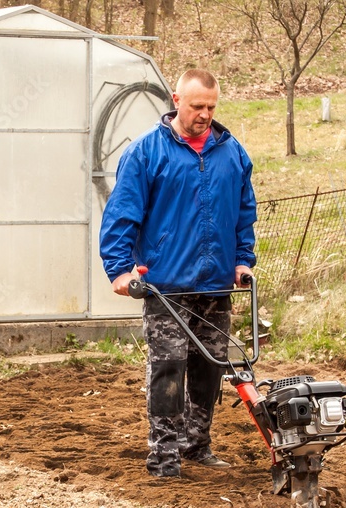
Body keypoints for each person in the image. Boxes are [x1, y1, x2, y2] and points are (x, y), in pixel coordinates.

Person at [99, 69, 257, 478]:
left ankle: (196, 444)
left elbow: (244, 213)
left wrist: (243, 260)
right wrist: (119, 269)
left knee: (210, 367)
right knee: (168, 367)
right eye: (196, 106)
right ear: (176, 100)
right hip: (167, 283)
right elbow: (122, 214)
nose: (204, 114)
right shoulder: (147, 152)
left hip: (216, 281)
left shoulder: (232, 152)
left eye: (211, 106)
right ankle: (164, 455)